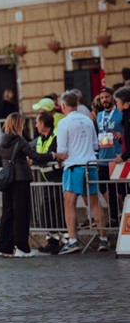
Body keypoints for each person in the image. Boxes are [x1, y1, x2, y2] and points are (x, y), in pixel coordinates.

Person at [0, 113, 64, 258]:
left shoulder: (0, 140)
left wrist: (7, 164)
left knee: (7, 214)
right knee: (21, 214)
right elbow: (36, 156)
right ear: (18, 124)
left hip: (7, 181)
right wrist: (53, 155)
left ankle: (2, 247)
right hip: (21, 179)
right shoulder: (20, 141)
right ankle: (22, 248)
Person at [56, 90, 108, 254]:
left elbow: (62, 151)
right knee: (94, 203)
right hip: (90, 164)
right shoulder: (87, 120)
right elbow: (95, 144)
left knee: (69, 203)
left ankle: (72, 240)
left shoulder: (64, 123)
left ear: (64, 106)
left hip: (73, 166)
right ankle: (103, 239)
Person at [29, 112, 64, 254]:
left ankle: (65, 240)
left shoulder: (55, 138)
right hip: (45, 179)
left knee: (58, 210)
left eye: (37, 122)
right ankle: (52, 240)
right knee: (47, 210)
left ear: (43, 124)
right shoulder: (39, 139)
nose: (36, 125)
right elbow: (37, 155)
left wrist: (35, 160)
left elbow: (50, 156)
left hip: (56, 178)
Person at [96, 87, 124, 227]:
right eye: (102, 98)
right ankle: (114, 216)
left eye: (107, 97)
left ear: (112, 98)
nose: (104, 100)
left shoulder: (120, 113)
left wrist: (122, 136)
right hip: (103, 158)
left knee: (119, 190)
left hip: (117, 158)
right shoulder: (99, 115)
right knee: (105, 188)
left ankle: (121, 216)